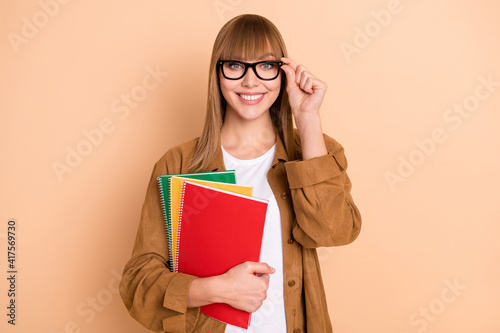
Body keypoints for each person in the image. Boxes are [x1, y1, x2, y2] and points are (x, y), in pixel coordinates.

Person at [119, 14, 362, 333]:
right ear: (217, 75)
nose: (250, 81)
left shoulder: (314, 149)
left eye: (265, 66)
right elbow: (138, 283)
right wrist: (216, 290)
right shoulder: (178, 164)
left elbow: (335, 232)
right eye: (235, 66)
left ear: (282, 73)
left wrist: (308, 119)